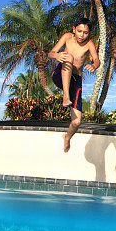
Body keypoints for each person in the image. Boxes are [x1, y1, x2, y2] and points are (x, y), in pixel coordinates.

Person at [48, 17, 100, 152]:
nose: (82, 35)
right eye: (79, 31)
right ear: (74, 30)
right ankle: (66, 96)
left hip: (75, 81)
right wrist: (57, 56)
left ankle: (67, 137)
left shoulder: (89, 44)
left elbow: (96, 60)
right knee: (69, 57)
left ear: (89, 33)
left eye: (85, 32)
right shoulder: (67, 37)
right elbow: (50, 53)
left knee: (77, 121)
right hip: (60, 74)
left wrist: (94, 66)